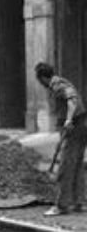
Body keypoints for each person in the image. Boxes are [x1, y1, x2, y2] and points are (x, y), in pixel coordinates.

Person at [35, 62, 87, 216]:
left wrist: (68, 120)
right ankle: (79, 202)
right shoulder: (60, 82)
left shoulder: (58, 85)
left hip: (75, 127)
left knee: (65, 166)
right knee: (77, 165)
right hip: (82, 126)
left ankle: (62, 205)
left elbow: (72, 99)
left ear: (43, 78)